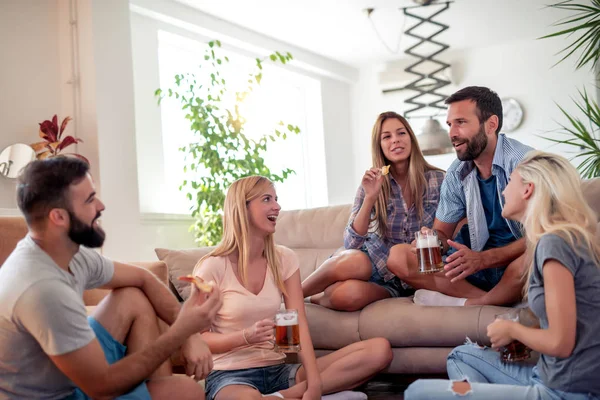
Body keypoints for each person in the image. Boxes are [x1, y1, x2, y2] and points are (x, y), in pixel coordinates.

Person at [0, 157, 222, 400]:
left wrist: (191, 336)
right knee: (187, 392)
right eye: (90, 199)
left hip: (71, 375)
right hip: (58, 395)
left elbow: (142, 278)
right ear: (59, 217)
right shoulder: (43, 289)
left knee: (132, 297)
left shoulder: (68, 253)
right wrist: (181, 331)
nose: (101, 205)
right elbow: (102, 387)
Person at [405, 150, 600, 399]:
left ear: (527, 190)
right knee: (462, 355)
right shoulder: (559, 239)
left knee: (418, 391)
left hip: (565, 390)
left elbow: (561, 343)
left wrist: (512, 330)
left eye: (510, 183)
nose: (504, 191)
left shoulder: (554, 243)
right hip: (545, 375)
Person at [194, 175, 393, 400]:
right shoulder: (212, 267)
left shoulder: (284, 258)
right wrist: (245, 337)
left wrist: (315, 383)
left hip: (279, 370)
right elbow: (198, 339)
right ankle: (292, 395)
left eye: (276, 199)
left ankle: (284, 395)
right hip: (230, 376)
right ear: (242, 207)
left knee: (379, 350)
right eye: (267, 199)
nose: (277, 207)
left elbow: (298, 321)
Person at [387, 86, 533, 307]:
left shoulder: (525, 163)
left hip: (513, 265)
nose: (452, 133)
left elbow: (545, 234)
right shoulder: (457, 171)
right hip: (475, 268)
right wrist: (432, 241)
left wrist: (484, 259)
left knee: (530, 259)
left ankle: (470, 303)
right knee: (399, 256)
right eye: (449, 124)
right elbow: (443, 233)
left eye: (461, 122)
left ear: (491, 124)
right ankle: (488, 301)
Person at [301, 111, 445, 311]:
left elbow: (447, 233)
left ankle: (315, 298)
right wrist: (370, 197)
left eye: (401, 133)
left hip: (405, 277)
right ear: (380, 146)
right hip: (374, 263)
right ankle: (288, 298)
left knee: (346, 295)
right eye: (387, 137)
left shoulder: (439, 180)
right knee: (352, 259)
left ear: (411, 138)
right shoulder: (372, 182)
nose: (395, 140)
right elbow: (351, 243)